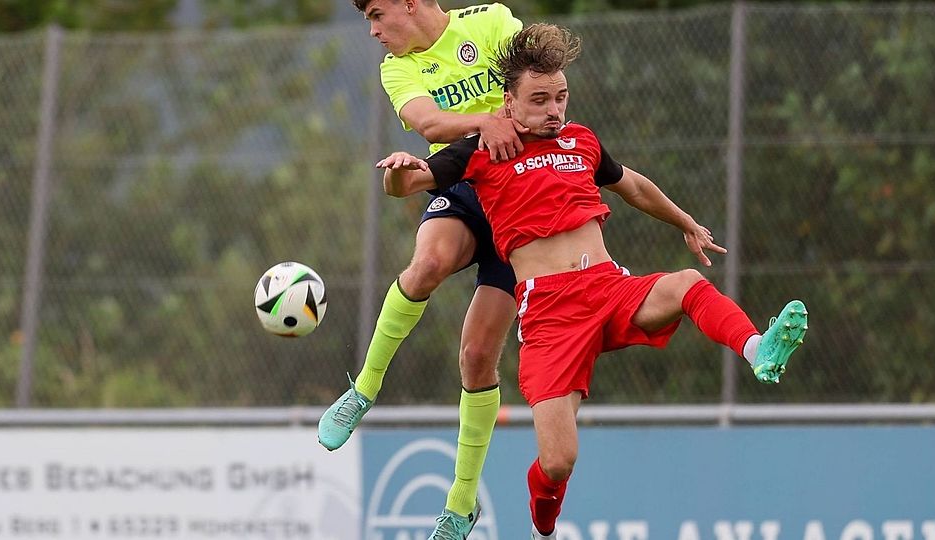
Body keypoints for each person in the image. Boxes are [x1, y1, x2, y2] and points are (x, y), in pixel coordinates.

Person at [376, 23, 809, 539]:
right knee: (558, 462)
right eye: (539, 100)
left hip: (606, 287)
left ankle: (758, 349)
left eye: (560, 97)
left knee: (686, 284)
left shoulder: (580, 140)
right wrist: (398, 169)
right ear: (507, 104)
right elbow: (407, 184)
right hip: (550, 315)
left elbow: (635, 188)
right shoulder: (479, 151)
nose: (554, 109)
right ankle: (544, 514)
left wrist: (687, 223)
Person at [317, 1, 527, 538]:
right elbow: (429, 122)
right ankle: (363, 389)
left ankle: (459, 506)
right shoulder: (399, 65)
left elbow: (542, 85)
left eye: (378, 15)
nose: (373, 31)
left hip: (523, 197)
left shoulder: (492, 22)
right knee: (428, 263)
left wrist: (517, 121)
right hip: (459, 182)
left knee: (478, 357)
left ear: (410, 3)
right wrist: (485, 121)